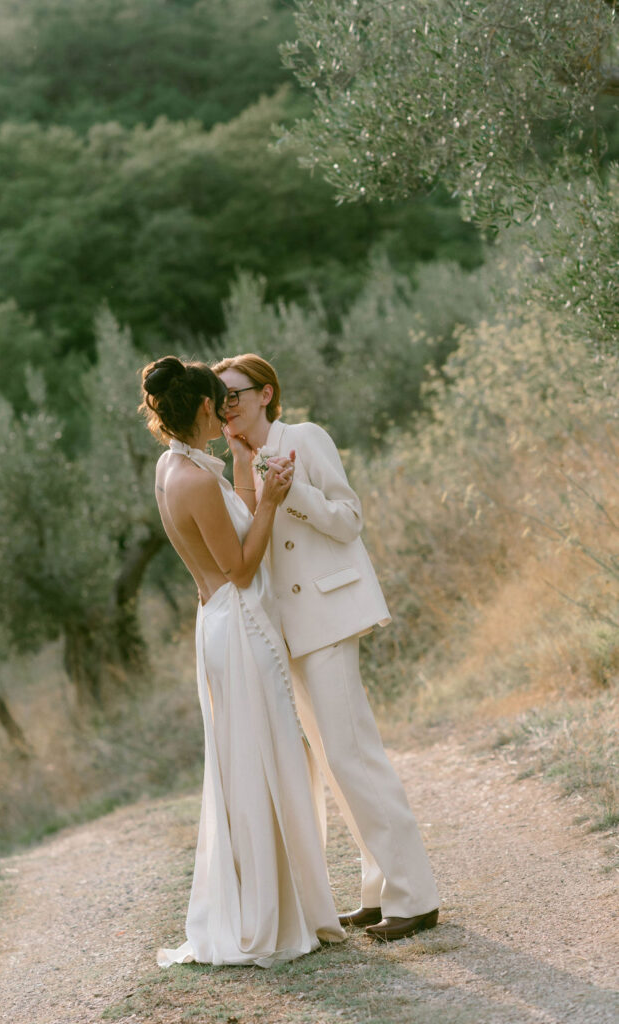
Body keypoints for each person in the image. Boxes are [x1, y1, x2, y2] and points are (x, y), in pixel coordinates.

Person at [214, 353, 440, 941]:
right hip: (288, 630)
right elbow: (252, 542)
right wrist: (245, 469)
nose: (225, 407)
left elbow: (349, 519)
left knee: (353, 754)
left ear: (265, 393)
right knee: (334, 765)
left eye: (233, 394)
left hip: (330, 614)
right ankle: (379, 890)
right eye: (219, 399)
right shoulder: (241, 459)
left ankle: (416, 896)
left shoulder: (305, 437)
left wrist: (292, 491)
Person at [140, 356, 344, 968]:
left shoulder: (175, 466)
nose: (228, 413)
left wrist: (244, 472)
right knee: (264, 761)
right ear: (204, 406)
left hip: (220, 622)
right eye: (221, 404)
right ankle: (270, 914)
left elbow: (226, 542)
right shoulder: (195, 481)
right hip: (239, 624)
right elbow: (241, 567)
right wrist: (274, 500)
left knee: (254, 760)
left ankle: (281, 900)